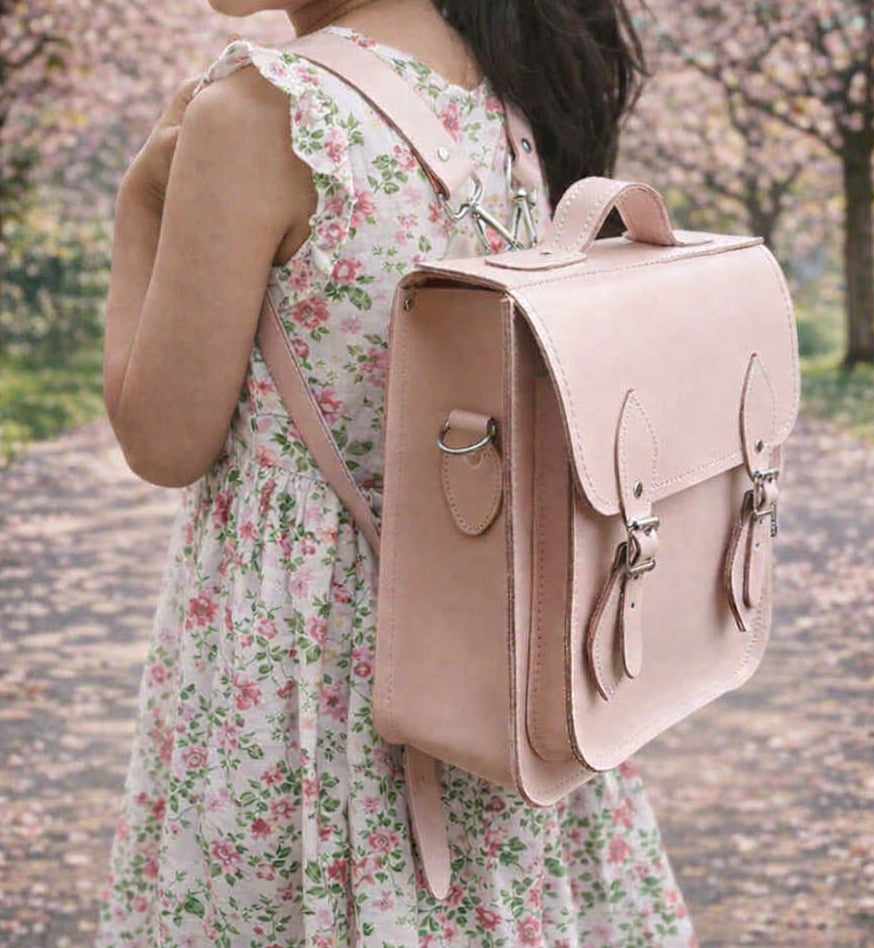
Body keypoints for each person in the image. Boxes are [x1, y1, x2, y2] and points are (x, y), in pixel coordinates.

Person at [96, 0, 697, 945]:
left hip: (308, 659)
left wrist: (141, 206)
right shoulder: (505, 96)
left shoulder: (261, 112)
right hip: (493, 644)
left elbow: (163, 441)